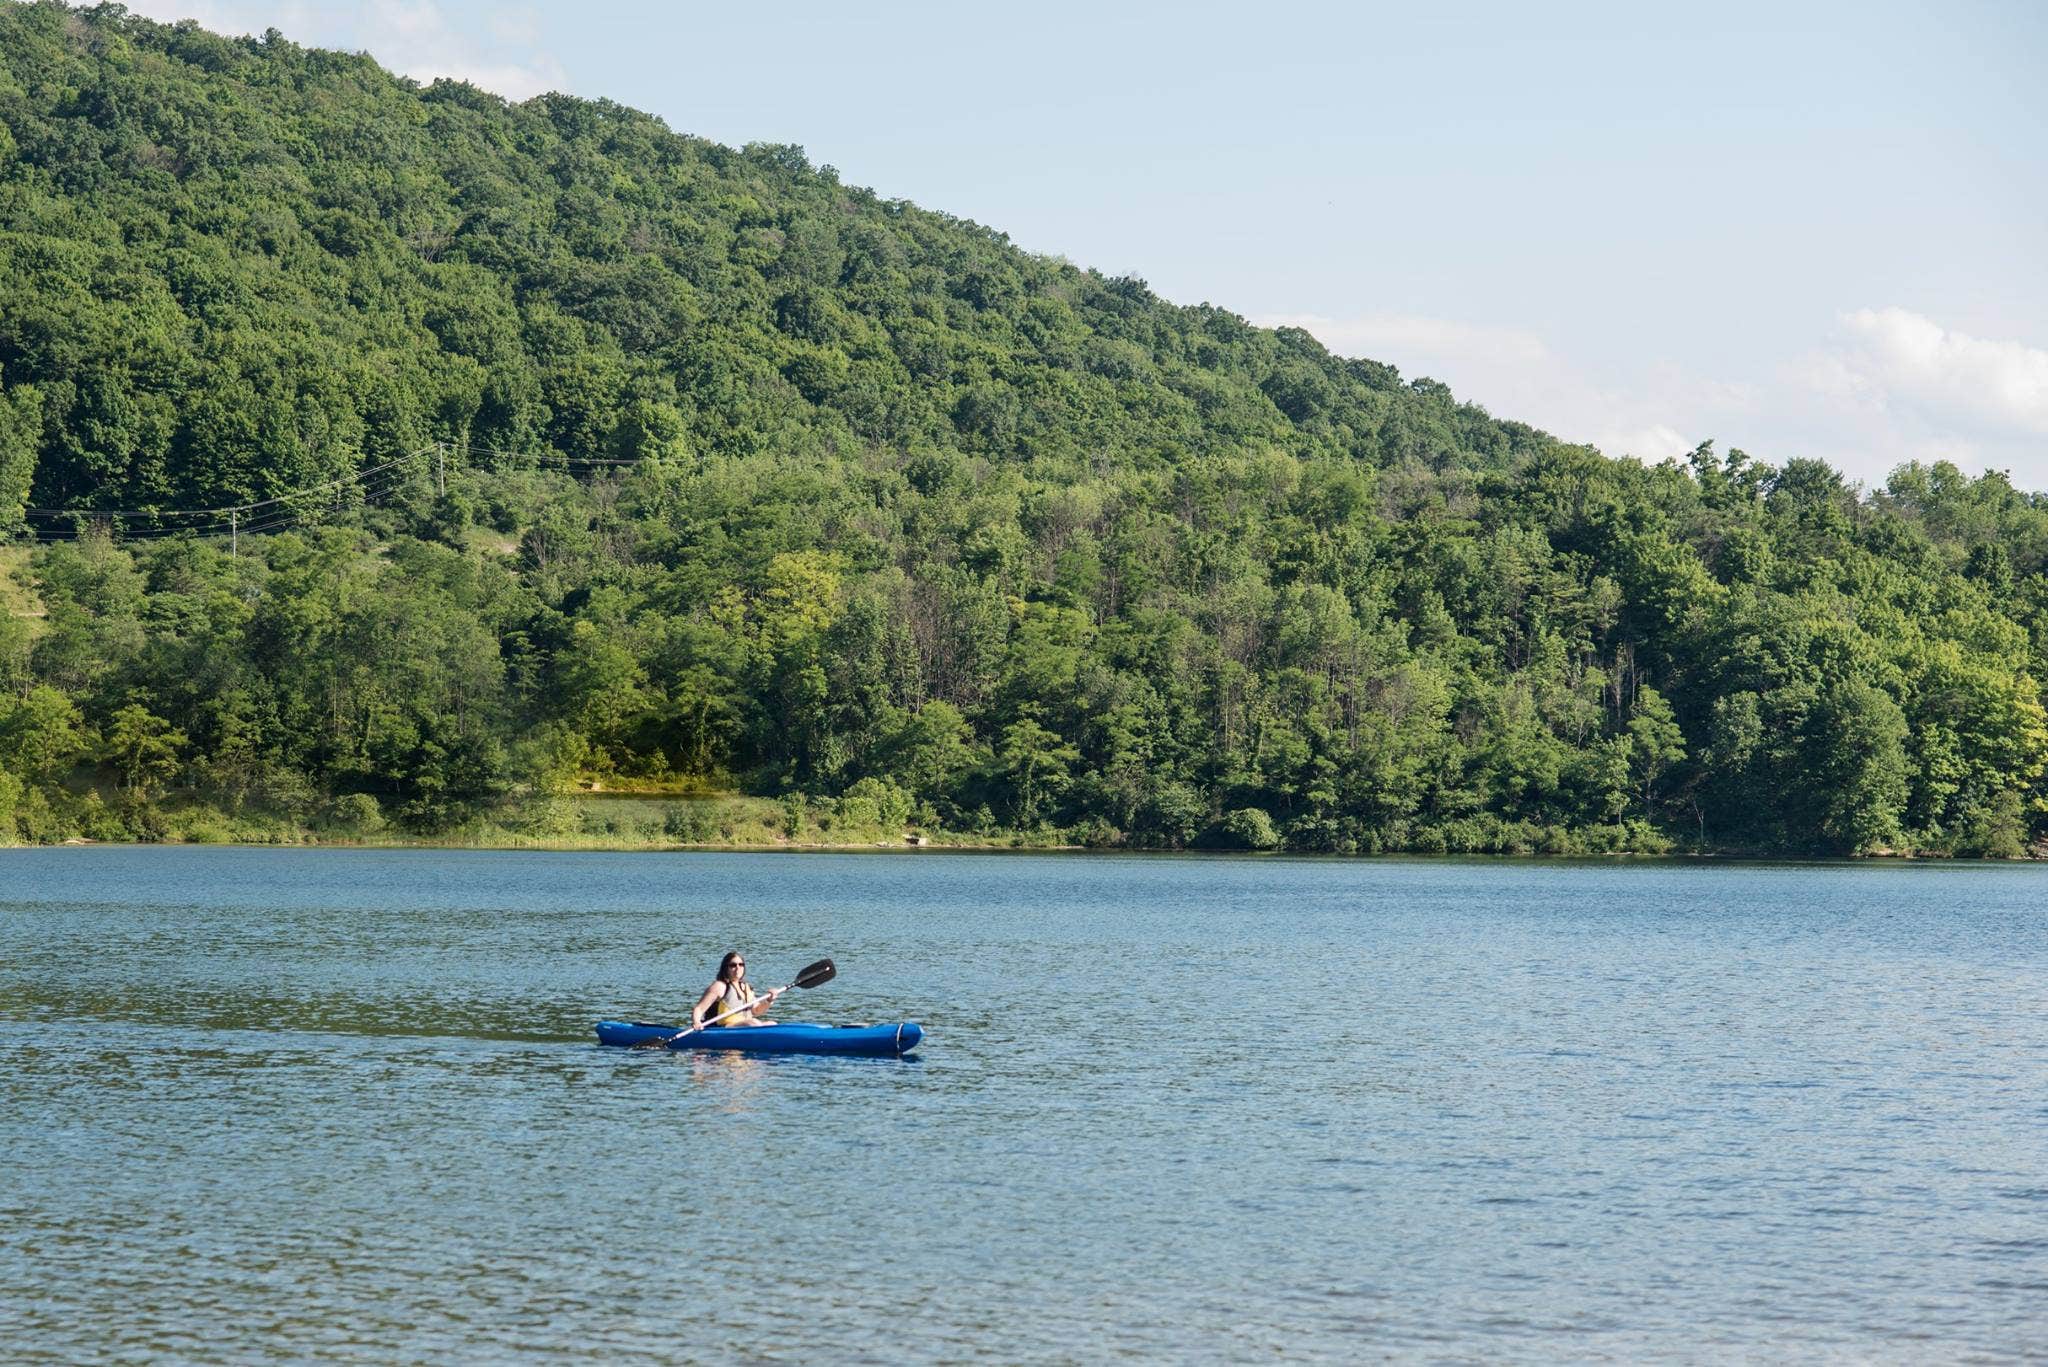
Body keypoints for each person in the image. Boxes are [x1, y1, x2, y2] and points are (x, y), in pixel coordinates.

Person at [690, 951, 781, 1029]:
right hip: (722, 1028)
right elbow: (699, 1009)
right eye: (733, 965)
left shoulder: (746, 987)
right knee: (753, 1023)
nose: (738, 968)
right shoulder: (719, 986)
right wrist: (696, 1022)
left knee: (772, 1024)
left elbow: (756, 1011)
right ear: (726, 968)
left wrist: (769, 1000)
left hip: (745, 1026)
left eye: (741, 965)